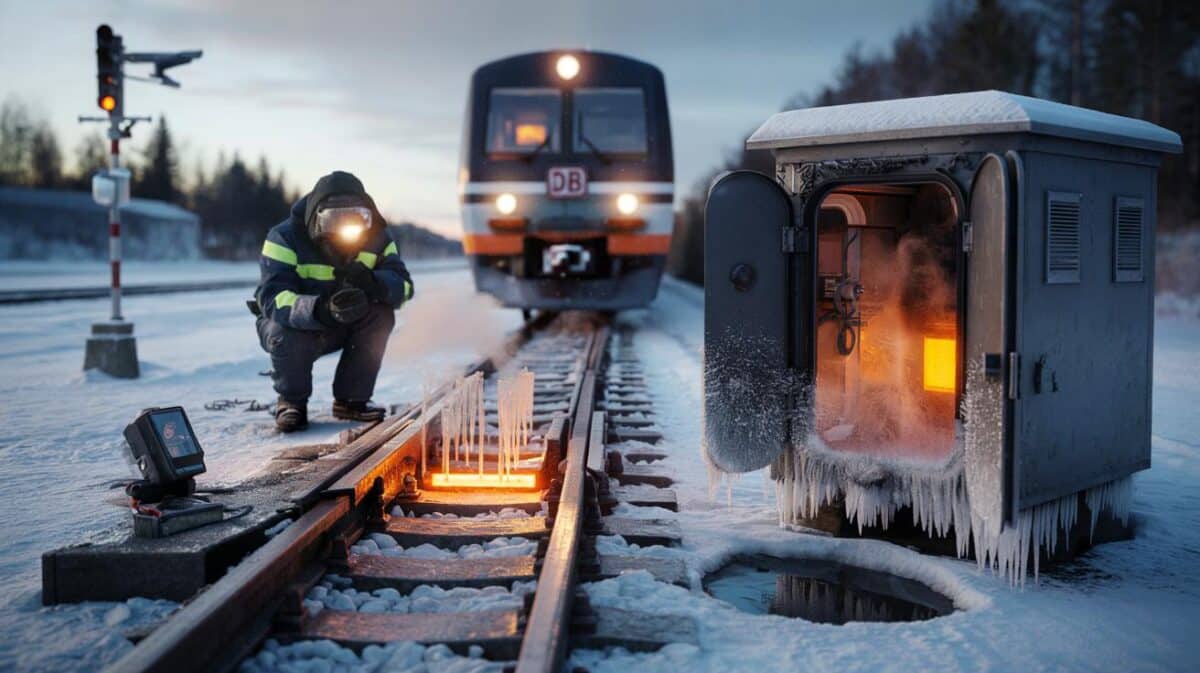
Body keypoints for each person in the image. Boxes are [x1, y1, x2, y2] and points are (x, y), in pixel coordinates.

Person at [255, 171, 413, 432]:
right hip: (297, 325)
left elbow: (405, 288)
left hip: (347, 323)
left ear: (368, 215)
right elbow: (272, 299)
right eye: (333, 218)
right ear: (316, 216)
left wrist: (375, 283)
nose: (344, 227)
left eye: (356, 218)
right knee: (284, 328)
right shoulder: (284, 237)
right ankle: (291, 402)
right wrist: (318, 310)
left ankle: (352, 400)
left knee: (381, 314)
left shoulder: (379, 239)